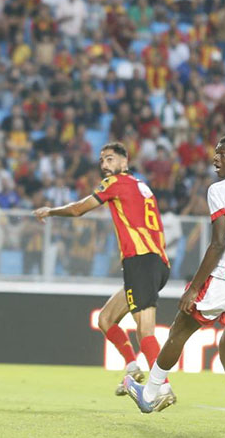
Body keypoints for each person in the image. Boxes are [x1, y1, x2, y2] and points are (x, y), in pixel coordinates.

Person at [124, 134, 225, 431]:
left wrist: (194, 287)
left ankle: (150, 394)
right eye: (216, 153)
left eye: (223, 153)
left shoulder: (220, 189)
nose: (215, 159)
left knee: (178, 331)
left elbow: (218, 243)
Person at [32, 143, 175, 407]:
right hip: (155, 262)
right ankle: (133, 367)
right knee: (106, 319)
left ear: (125, 160)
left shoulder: (115, 182)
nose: (104, 164)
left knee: (145, 332)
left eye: (110, 158)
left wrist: (50, 211)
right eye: (101, 160)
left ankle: (163, 386)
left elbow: (79, 209)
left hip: (142, 261)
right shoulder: (142, 187)